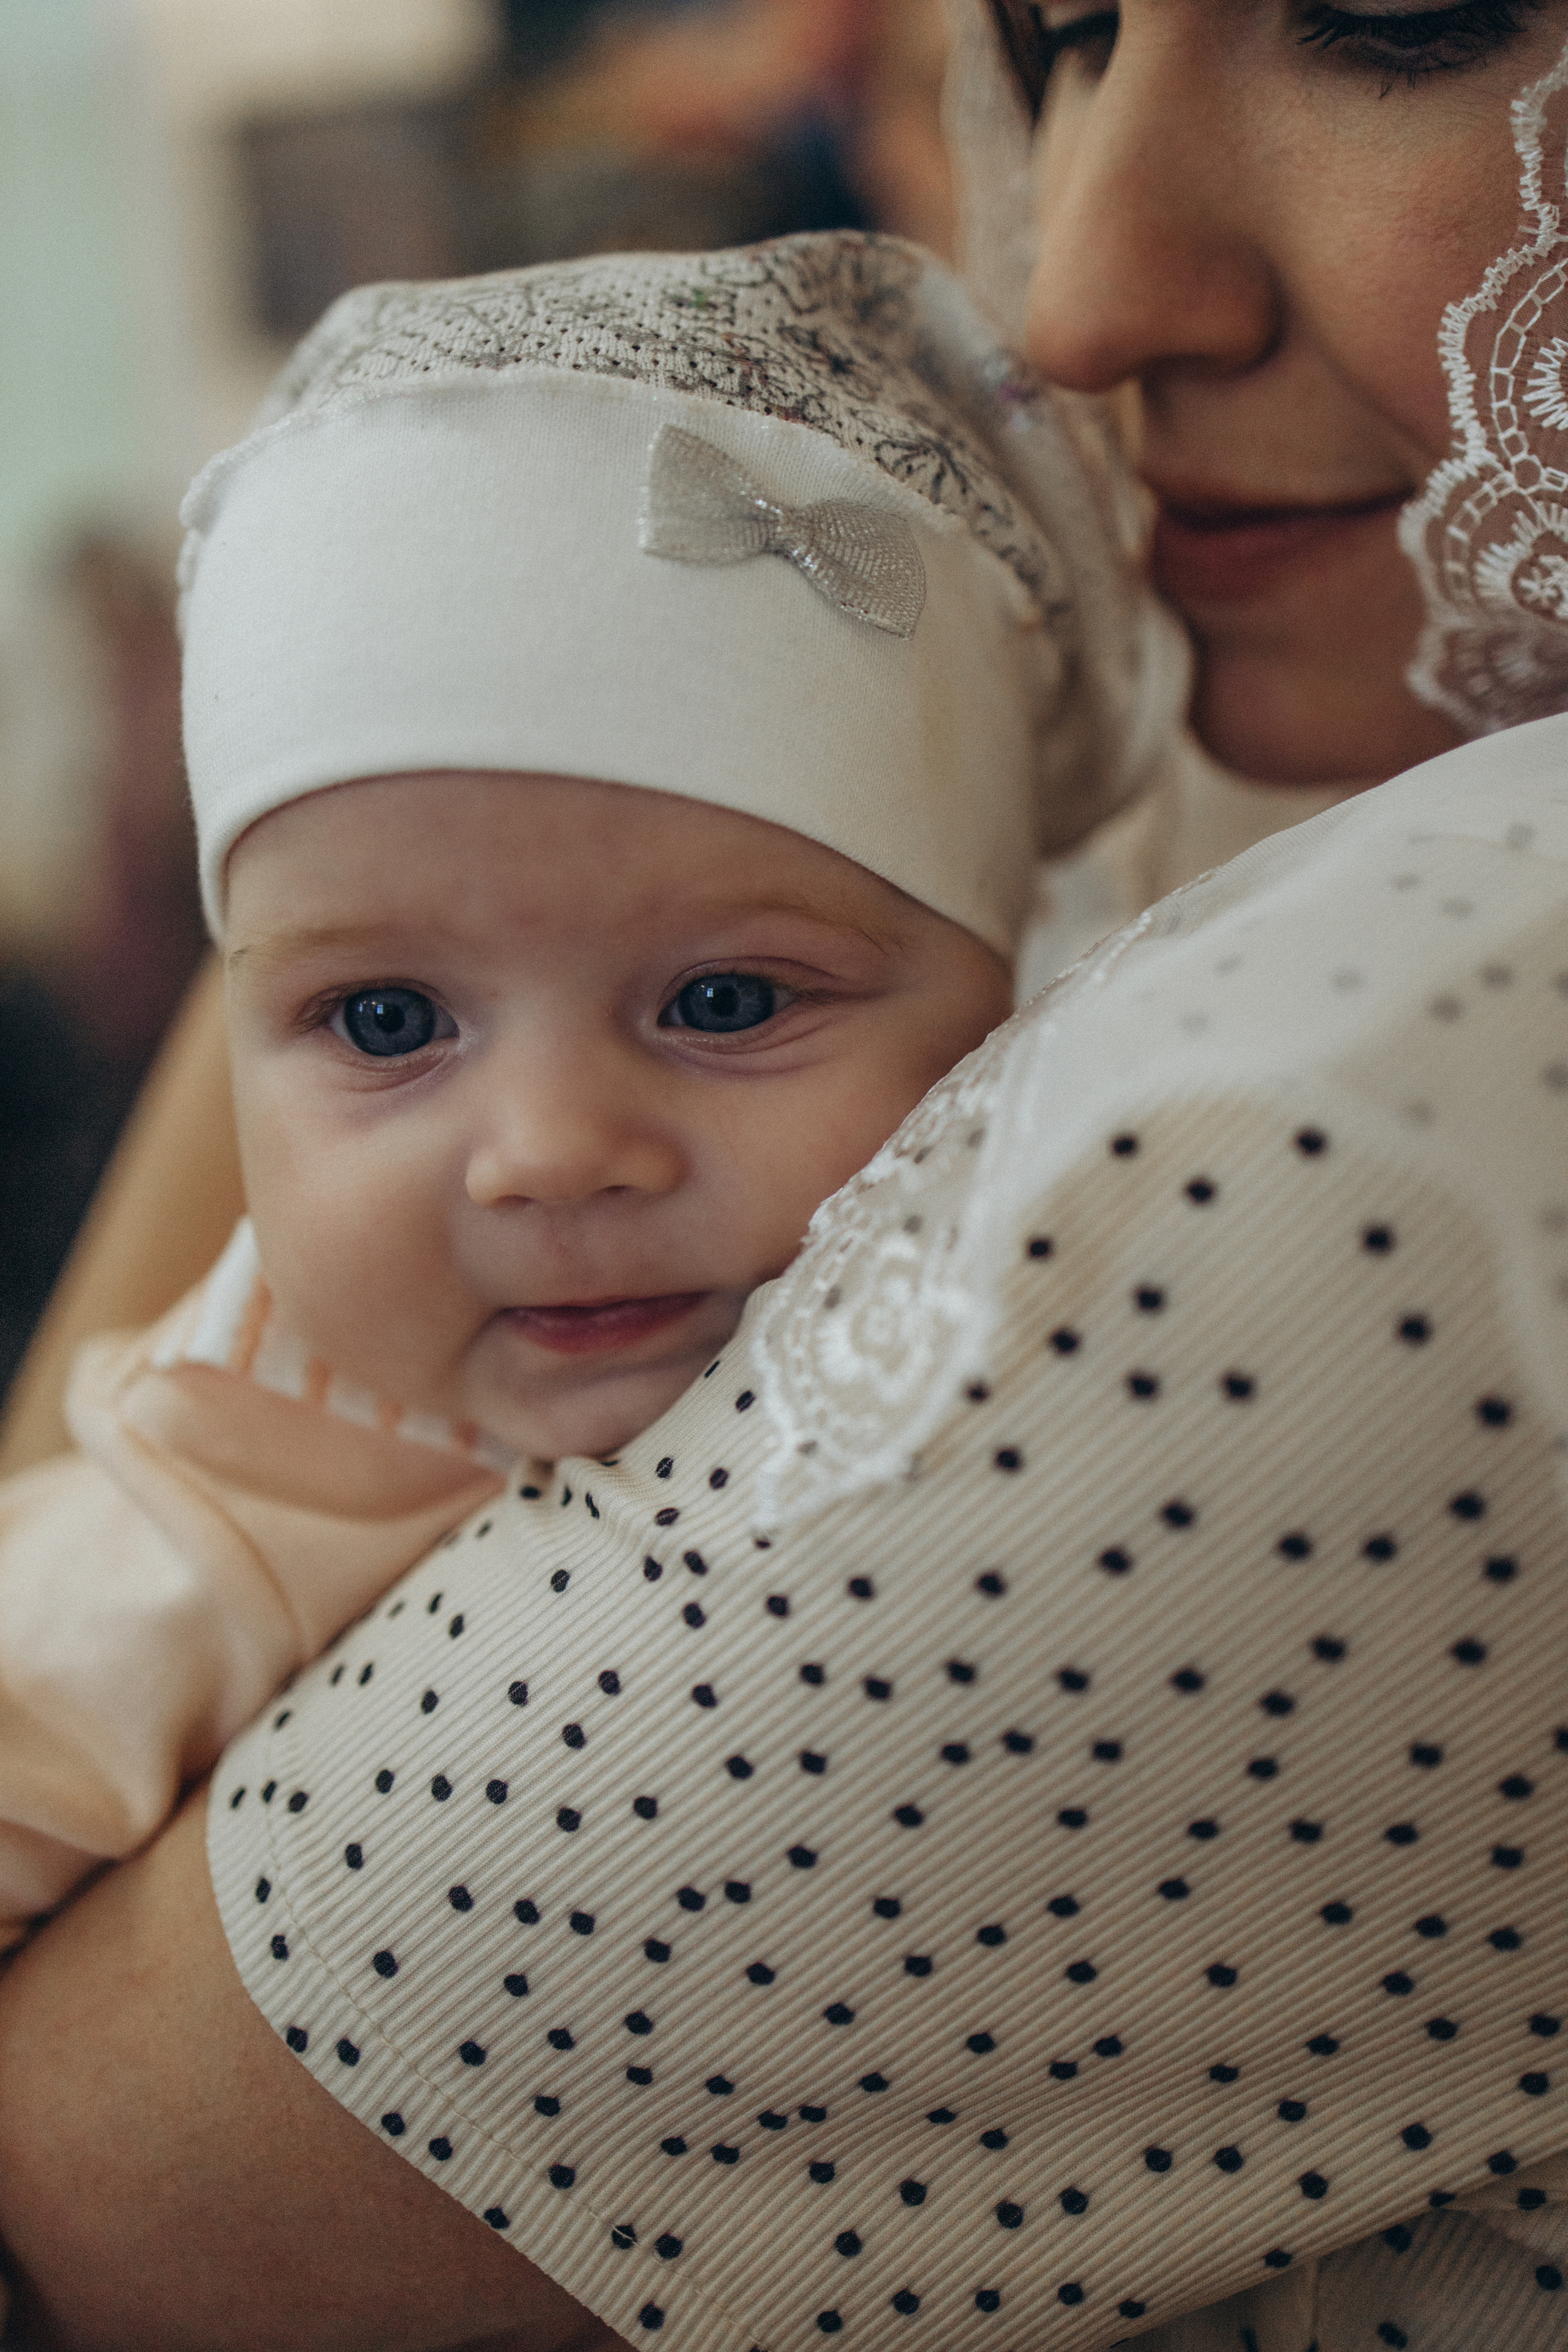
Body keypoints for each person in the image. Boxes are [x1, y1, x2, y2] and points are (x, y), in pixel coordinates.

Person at [1, 13, 1567, 2352]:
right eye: (1054, 37)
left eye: (1393, 9)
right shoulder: (223, 1490)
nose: (1081, 296)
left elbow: (130, 2198)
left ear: (989, 975)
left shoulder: (1365, 1096)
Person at [0, 232, 1172, 1952]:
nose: (549, 1156)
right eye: (388, 1020)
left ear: (1006, 991)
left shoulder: (1121, 1273)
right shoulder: (238, 1499)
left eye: (722, 1001)